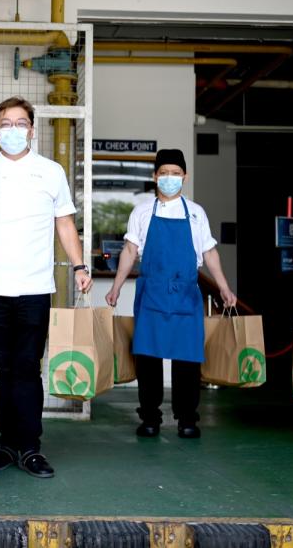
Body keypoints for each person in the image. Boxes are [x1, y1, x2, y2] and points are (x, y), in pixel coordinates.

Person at [0, 96, 92, 479]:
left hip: (35, 288)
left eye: (20, 123)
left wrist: (78, 265)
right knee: (1, 368)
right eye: (5, 124)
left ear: (32, 129)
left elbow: (64, 224)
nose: (13, 130)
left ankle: (30, 447)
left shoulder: (50, 172)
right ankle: (6, 444)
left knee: (27, 367)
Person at [105, 148, 236, 440]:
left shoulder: (196, 213)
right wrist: (116, 286)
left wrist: (224, 286)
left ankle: (187, 418)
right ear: (154, 176)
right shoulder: (141, 212)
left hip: (186, 295)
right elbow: (130, 251)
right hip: (151, 293)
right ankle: (149, 417)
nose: (169, 178)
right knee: (148, 358)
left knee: (187, 359)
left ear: (184, 176)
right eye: (163, 172)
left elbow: (209, 252)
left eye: (175, 173)